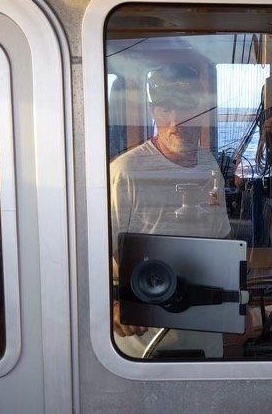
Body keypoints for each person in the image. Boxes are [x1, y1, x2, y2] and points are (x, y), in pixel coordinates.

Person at [109, 63, 231, 358]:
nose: (176, 122)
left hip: (205, 337)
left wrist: (234, 306)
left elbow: (222, 243)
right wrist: (109, 304)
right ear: (153, 112)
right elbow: (93, 256)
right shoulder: (125, 171)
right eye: (165, 109)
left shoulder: (209, 166)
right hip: (143, 343)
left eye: (186, 109)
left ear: (202, 110)